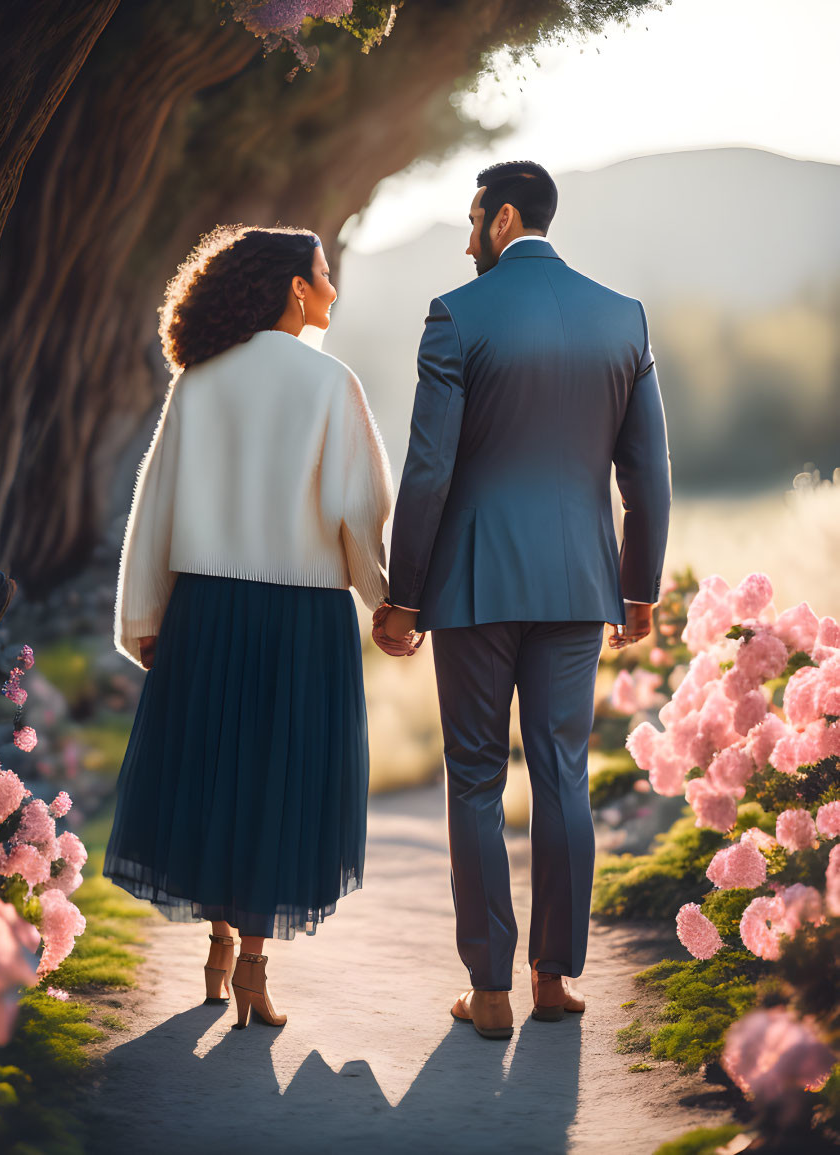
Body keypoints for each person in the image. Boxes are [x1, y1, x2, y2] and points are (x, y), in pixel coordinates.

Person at [376, 161, 671, 1039]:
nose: (468, 242)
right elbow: (647, 476)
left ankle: (489, 989)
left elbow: (427, 469)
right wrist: (639, 585)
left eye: (473, 222)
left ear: (504, 217)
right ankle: (552, 978)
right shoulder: (623, 317)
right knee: (562, 773)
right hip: (580, 586)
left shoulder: (457, 316)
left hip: (471, 586)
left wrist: (403, 594)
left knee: (474, 775)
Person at [105, 224, 393, 1029]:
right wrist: (384, 600)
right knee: (280, 784)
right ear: (295, 289)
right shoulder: (331, 382)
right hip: (299, 611)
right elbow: (358, 513)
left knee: (212, 770)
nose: (333, 288)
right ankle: (255, 970)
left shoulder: (197, 381)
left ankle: (220, 945)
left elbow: (154, 503)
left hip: (205, 607)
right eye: (324, 274)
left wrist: (145, 616)